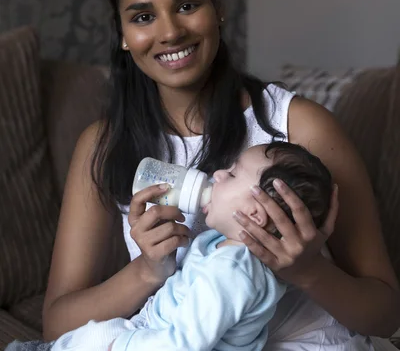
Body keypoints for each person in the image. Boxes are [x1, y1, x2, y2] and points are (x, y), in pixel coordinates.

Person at [42, 0, 400, 350]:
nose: (171, 32)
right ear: (122, 33)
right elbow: (57, 326)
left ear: (218, 8)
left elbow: (386, 312)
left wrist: (308, 271)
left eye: (187, 5)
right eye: (142, 17)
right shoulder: (102, 146)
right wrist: (146, 272)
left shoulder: (298, 126)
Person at [48, 141, 333, 351]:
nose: (218, 174)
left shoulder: (232, 272)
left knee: (92, 340)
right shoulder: (221, 245)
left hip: (161, 342)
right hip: (153, 329)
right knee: (90, 335)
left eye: (233, 175)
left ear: (256, 214)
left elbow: (183, 344)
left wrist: (122, 346)